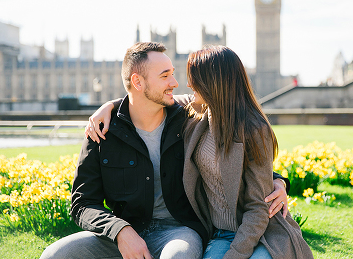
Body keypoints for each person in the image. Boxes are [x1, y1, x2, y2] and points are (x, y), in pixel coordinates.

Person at [40, 42, 289, 259]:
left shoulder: (185, 118)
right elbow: (83, 202)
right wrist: (120, 231)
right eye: (165, 75)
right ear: (137, 81)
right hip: (124, 229)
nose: (178, 83)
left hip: (179, 231)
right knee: (53, 255)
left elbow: (236, 152)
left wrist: (276, 181)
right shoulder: (103, 131)